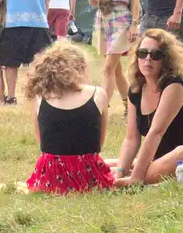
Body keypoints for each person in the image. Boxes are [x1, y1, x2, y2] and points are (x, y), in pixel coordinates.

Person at [115, 28, 183, 185]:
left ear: (166, 59)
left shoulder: (175, 85)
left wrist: (135, 177)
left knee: (182, 153)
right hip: (160, 160)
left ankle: (130, 180)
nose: (148, 59)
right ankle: (118, 178)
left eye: (155, 55)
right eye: (142, 53)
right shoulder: (135, 90)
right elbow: (131, 139)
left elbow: (156, 133)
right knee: (109, 164)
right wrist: (120, 172)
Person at [26, 42, 116, 193]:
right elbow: (98, 144)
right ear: (80, 69)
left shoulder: (40, 97)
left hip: (50, 177)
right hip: (89, 176)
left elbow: (43, 143)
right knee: (118, 165)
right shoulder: (98, 94)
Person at [88, 0, 141, 118]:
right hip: (103, 17)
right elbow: (94, 3)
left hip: (121, 18)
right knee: (116, 69)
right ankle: (130, 106)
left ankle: (100, 109)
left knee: (108, 67)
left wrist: (135, 23)